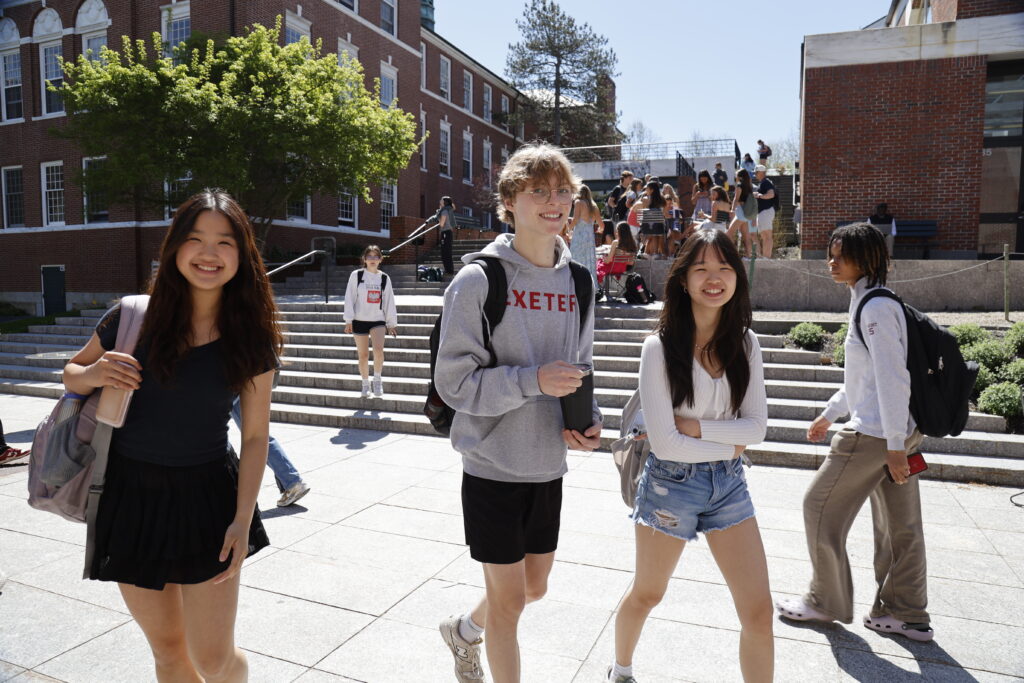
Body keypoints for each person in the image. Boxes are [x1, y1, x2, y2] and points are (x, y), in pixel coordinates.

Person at [62, 190, 279, 681]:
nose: (209, 253)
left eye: (224, 242)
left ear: (242, 255)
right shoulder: (132, 317)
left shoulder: (250, 336)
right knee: (167, 651)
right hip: (130, 498)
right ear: (175, 247)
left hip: (208, 501)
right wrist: (95, 371)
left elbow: (254, 437)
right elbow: (71, 375)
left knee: (213, 658)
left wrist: (244, 520)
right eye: (196, 239)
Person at [436, 142, 602, 683]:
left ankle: (462, 629)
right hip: (492, 465)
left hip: (547, 464)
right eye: (539, 191)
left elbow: (581, 366)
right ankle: (476, 650)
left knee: (532, 589)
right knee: (508, 605)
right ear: (510, 200)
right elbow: (454, 383)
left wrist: (587, 417)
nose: (553, 203)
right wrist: (533, 381)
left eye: (562, 193)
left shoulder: (579, 280)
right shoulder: (479, 280)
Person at [609, 228, 771, 683]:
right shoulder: (658, 348)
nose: (713, 278)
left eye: (724, 267)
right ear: (683, 279)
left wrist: (698, 427)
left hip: (729, 484)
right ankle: (620, 671)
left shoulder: (745, 343)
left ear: (737, 276)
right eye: (701, 268)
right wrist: (730, 441)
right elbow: (665, 443)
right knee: (647, 593)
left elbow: (757, 428)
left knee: (758, 611)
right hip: (670, 486)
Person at [775, 222, 933, 643]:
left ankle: (826, 600)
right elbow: (864, 380)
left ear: (864, 259)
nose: (831, 261)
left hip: (876, 435)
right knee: (900, 527)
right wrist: (829, 414)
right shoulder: (872, 302)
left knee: (817, 508)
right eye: (830, 253)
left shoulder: (875, 308)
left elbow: (892, 379)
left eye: (839, 255)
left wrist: (895, 446)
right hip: (894, 432)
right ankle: (908, 615)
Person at [229, 397, 310, 507]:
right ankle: (292, 482)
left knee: (209, 430)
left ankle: (292, 483)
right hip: (237, 385)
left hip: (226, 386)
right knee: (257, 436)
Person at [343, 245, 399, 399]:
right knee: (363, 355)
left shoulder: (384, 278)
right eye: (370, 256)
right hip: (359, 320)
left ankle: (377, 380)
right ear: (364, 259)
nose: (373, 259)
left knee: (379, 350)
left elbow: (389, 301)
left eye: (376, 256)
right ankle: (365, 384)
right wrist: (348, 320)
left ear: (380, 259)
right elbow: (349, 297)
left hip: (377, 320)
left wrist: (391, 323)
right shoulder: (357, 275)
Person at [569, 184, 601, 290]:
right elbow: (602, 225)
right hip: (589, 236)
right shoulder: (593, 205)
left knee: (576, 258)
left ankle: (576, 285)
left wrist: (568, 229)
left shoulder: (579, 203)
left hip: (579, 235)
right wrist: (599, 230)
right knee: (589, 260)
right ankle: (591, 287)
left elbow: (575, 219)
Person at [596, 221, 640, 293]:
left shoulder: (616, 242)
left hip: (614, 268)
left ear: (620, 232)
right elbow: (631, 262)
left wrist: (603, 259)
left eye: (617, 231)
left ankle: (598, 291)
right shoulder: (633, 242)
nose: (616, 233)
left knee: (598, 265)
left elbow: (608, 261)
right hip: (625, 268)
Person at [728, 169, 759, 257]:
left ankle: (732, 256)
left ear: (740, 176)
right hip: (747, 213)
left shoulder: (739, 185)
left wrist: (732, 211)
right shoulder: (749, 186)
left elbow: (736, 199)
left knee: (729, 233)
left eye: (736, 175)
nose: (735, 177)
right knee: (746, 237)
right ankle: (748, 257)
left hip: (740, 213)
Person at [638, 180, 669, 259]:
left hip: (649, 226)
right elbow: (665, 213)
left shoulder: (645, 199)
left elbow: (644, 213)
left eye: (647, 189)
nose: (646, 191)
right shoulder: (662, 199)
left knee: (652, 236)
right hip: (660, 225)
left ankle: (649, 253)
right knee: (656, 236)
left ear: (652, 190)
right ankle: (656, 254)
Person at [752, 165, 776, 258]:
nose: (755, 174)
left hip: (766, 211)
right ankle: (765, 258)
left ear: (761, 172)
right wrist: (759, 195)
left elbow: (771, 194)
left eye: (756, 172)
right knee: (764, 236)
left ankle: (767, 258)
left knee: (767, 236)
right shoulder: (763, 183)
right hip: (763, 212)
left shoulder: (766, 182)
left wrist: (759, 195)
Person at [662, 184, 686, 256]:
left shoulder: (674, 206)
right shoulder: (661, 207)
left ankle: (671, 254)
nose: (669, 205)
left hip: (673, 228)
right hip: (664, 228)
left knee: (674, 233)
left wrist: (676, 215)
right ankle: (670, 253)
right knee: (671, 234)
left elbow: (680, 219)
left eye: (670, 203)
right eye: (667, 204)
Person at [437, 196, 457, 276]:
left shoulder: (444, 211)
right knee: (447, 252)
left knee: (445, 252)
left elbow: (442, 223)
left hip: (445, 232)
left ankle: (448, 271)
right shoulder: (448, 209)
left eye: (441, 200)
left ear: (444, 202)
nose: (440, 201)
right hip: (449, 233)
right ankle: (449, 270)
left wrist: (438, 218)